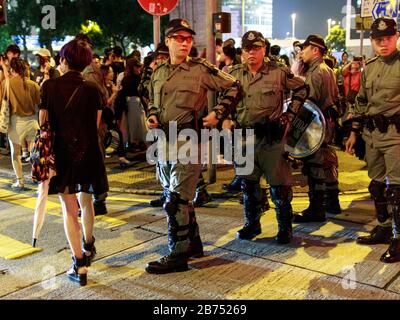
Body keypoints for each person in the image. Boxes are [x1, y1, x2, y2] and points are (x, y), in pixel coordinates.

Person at [145, 19, 242, 274]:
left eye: (188, 39)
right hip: (165, 140)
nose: (185, 43)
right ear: (168, 41)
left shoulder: (200, 69)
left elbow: (233, 86)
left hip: (190, 139)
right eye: (179, 38)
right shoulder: (159, 72)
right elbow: (153, 101)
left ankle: (177, 255)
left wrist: (219, 113)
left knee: (176, 201)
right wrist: (152, 115)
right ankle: (193, 244)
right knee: (177, 197)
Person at [228, 31, 308, 243]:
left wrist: (290, 114)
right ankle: (252, 224)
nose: (252, 52)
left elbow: (302, 89)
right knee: (248, 185)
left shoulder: (278, 72)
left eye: (256, 48)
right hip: (243, 138)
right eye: (248, 49)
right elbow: (223, 98)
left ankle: (284, 228)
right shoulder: (232, 73)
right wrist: (225, 118)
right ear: (242, 51)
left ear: (264, 49)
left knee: (279, 187)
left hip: (271, 139)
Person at [39, 39, 108, 285]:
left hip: (63, 155)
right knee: (86, 200)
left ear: (64, 59)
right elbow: (96, 123)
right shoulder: (92, 88)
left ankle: (79, 265)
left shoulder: (49, 86)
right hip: (89, 153)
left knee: (69, 210)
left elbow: (42, 123)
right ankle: (89, 246)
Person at [346, 18, 400, 263]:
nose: (383, 44)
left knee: (397, 191)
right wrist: (355, 131)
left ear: (396, 36)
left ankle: (399, 240)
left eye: (388, 38)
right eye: (379, 40)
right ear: (372, 41)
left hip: (396, 136)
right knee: (376, 186)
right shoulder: (369, 66)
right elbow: (362, 101)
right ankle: (384, 227)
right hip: (372, 135)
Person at [293, 35, 341, 223]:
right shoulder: (328, 69)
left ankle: (316, 208)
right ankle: (332, 201)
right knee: (328, 162)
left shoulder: (315, 72)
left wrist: (296, 130)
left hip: (316, 124)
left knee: (314, 165)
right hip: (328, 121)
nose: (301, 53)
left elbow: (309, 103)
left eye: (304, 49)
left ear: (315, 50)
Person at [0, 58, 40, 189]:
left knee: (16, 153)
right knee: (34, 153)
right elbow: (39, 104)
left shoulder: (7, 83)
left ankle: (20, 180)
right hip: (33, 121)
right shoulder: (33, 85)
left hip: (16, 122)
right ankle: (38, 178)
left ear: (12, 69)